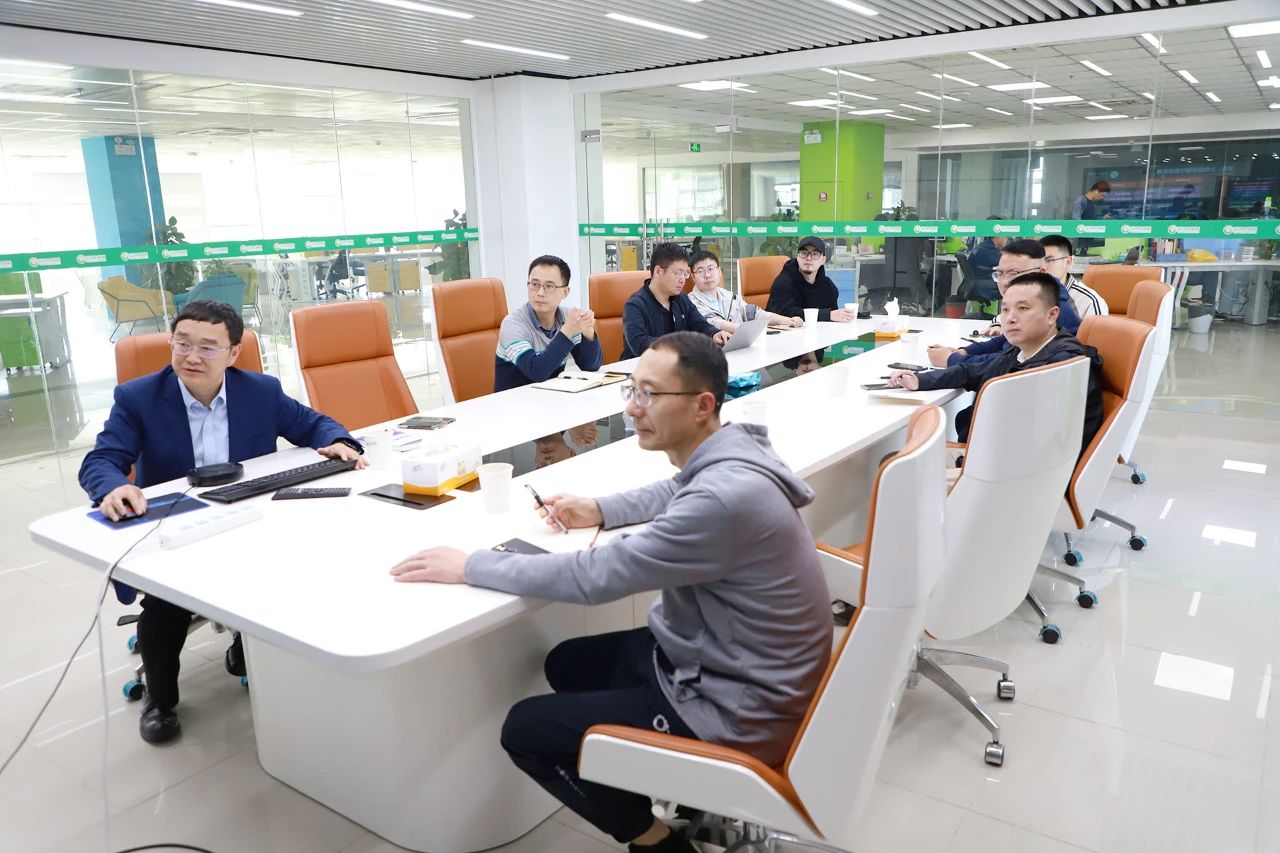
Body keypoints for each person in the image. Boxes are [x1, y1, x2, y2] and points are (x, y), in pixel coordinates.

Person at [389, 332, 832, 853]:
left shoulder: (720, 500)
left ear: (702, 405)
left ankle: (658, 843)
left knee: (525, 730)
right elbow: (678, 489)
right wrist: (600, 509)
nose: (632, 408)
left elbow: (594, 577)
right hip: (742, 669)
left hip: (738, 710)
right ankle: (650, 784)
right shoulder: (735, 455)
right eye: (632, 390)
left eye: (649, 394)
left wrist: (470, 565)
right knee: (569, 664)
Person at [78, 300, 367, 745]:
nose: (191, 356)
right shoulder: (139, 398)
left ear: (233, 353)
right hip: (181, 527)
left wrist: (337, 441)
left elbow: (314, 424)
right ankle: (160, 700)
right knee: (165, 606)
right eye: (182, 343)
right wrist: (113, 486)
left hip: (250, 520)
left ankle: (246, 647)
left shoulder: (261, 391)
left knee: (290, 575)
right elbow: (101, 460)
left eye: (208, 347)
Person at [891, 273, 1103, 456]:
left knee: (900, 466)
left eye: (1023, 308)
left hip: (1023, 474)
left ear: (1052, 314)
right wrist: (919, 380)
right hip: (1002, 458)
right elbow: (973, 371)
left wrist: (962, 464)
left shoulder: (1058, 366)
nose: (1010, 318)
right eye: (1005, 310)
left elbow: (1030, 444)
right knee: (903, 461)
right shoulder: (1026, 350)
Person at [928, 239, 1081, 367]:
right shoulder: (1036, 298)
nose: (1004, 282)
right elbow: (1004, 342)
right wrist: (963, 351)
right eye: (1000, 274)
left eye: (1014, 274)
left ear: (1040, 273)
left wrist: (951, 360)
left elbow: (1005, 362)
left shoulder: (1049, 310)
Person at [495, 255, 602, 392]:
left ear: (565, 292)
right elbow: (537, 372)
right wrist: (567, 330)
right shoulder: (512, 325)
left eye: (549, 286)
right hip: (513, 401)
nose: (540, 293)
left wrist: (588, 333)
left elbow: (590, 366)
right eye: (534, 285)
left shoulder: (567, 317)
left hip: (551, 397)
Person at [621, 242, 731, 360]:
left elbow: (701, 326)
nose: (683, 280)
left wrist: (714, 333)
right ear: (658, 272)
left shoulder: (682, 299)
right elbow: (639, 344)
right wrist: (682, 344)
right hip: (641, 367)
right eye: (678, 273)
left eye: (685, 274)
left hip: (677, 365)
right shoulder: (635, 305)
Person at [687, 249, 800, 332]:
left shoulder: (730, 296)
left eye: (711, 269)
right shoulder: (690, 302)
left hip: (742, 347)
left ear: (719, 271)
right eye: (700, 271)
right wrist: (747, 332)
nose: (707, 275)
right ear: (693, 277)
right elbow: (714, 322)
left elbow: (754, 313)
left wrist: (788, 320)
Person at [763, 236, 856, 324]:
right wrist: (827, 315)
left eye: (815, 254)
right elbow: (783, 314)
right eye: (804, 253)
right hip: (786, 333)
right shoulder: (783, 282)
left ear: (823, 260)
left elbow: (833, 318)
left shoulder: (828, 286)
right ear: (797, 256)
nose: (808, 258)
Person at [1041, 235, 1108, 321]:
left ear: (1068, 262)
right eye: (1040, 261)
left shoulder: (1090, 302)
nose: (1043, 267)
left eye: (1050, 260)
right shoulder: (1031, 294)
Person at [966, 218, 1008, 304]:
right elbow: (1008, 264)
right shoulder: (991, 251)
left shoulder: (982, 247)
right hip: (986, 288)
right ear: (998, 235)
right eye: (1006, 235)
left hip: (977, 287)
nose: (1007, 239)